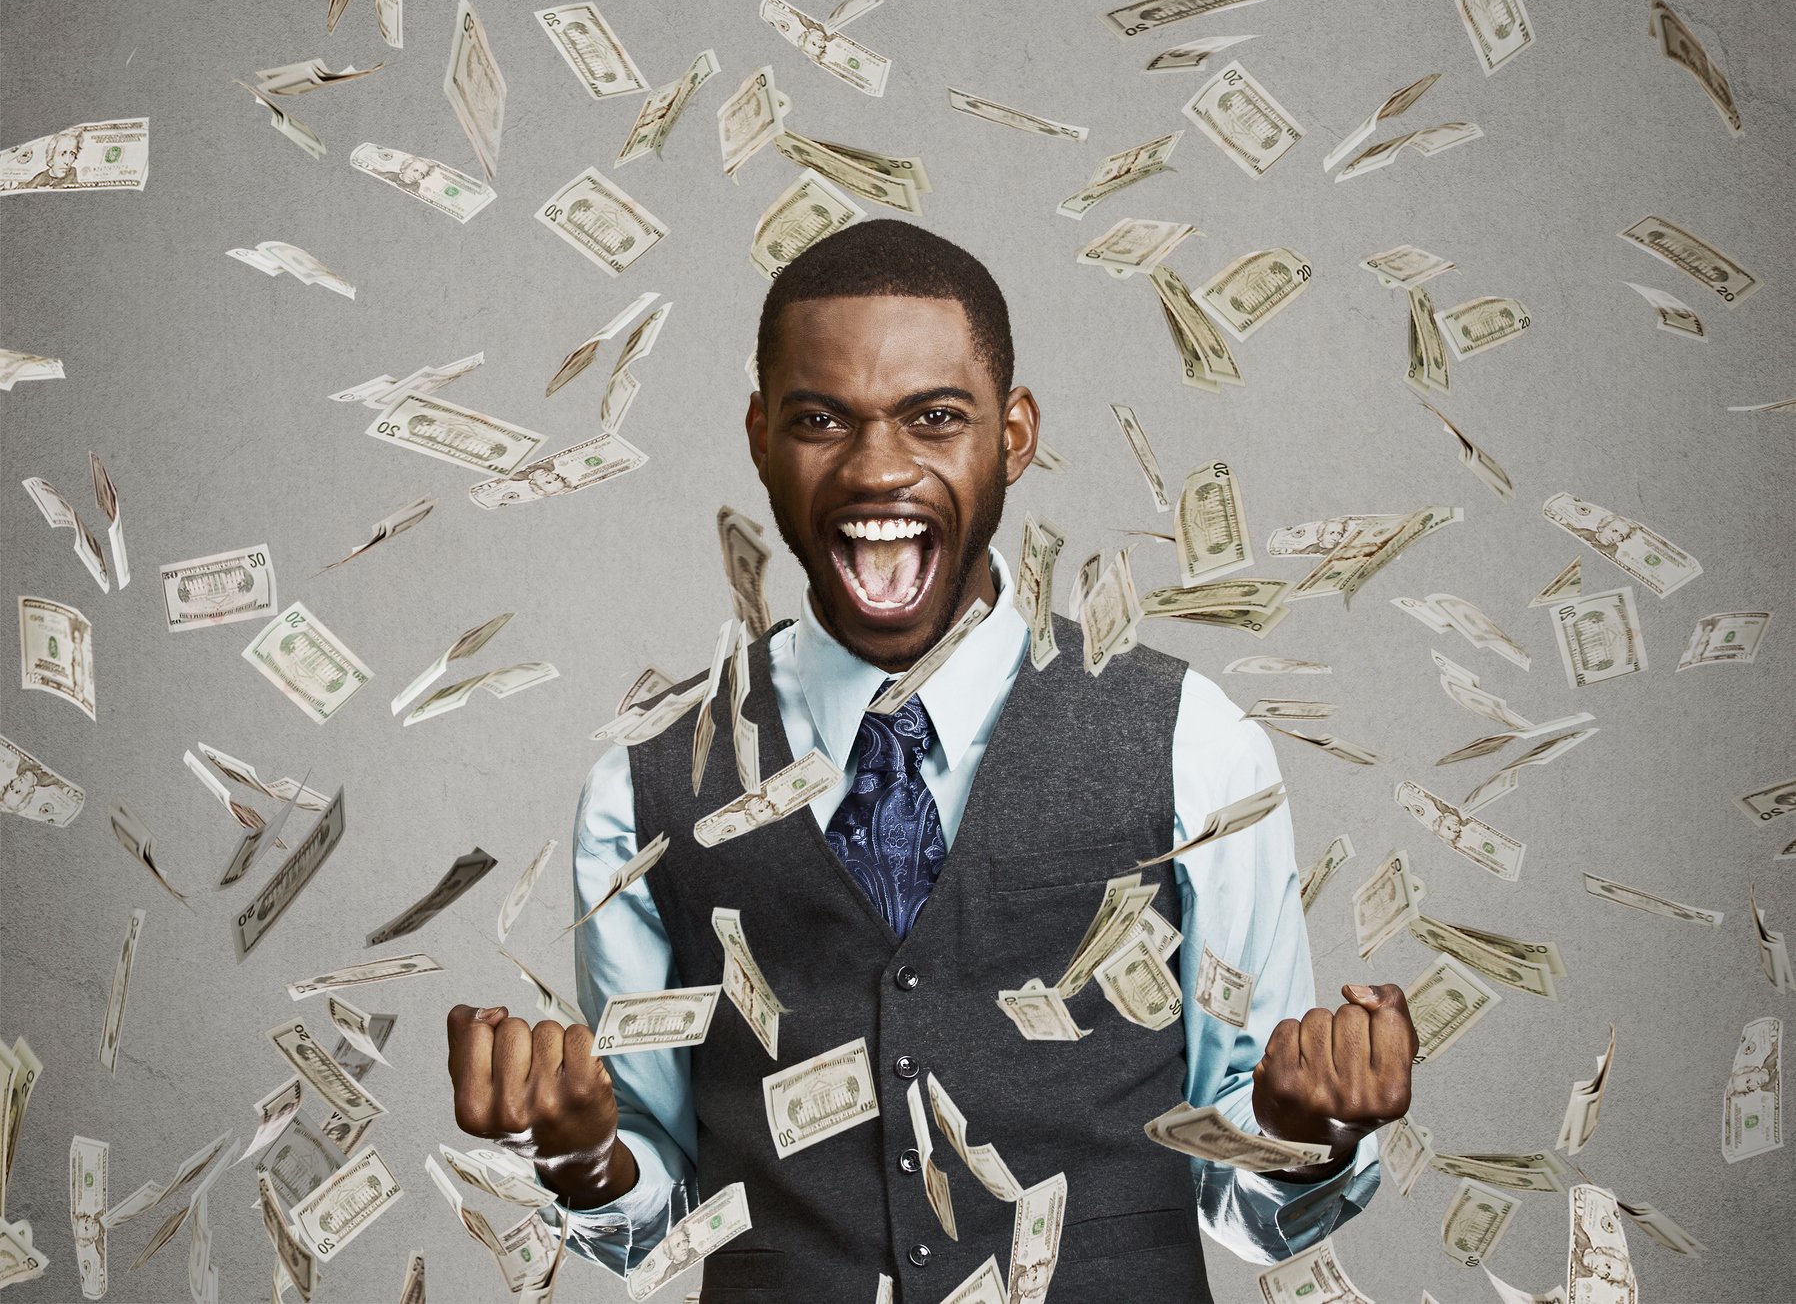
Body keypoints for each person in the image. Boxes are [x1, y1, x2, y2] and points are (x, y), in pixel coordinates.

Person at [446, 221, 1417, 1301]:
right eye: (820, 420)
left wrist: (1303, 1128)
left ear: (1013, 435)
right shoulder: (646, 785)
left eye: (934, 418)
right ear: (760, 436)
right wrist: (576, 1155)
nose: (877, 469)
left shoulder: (1194, 742)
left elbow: (1257, 1211)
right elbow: (656, 1211)